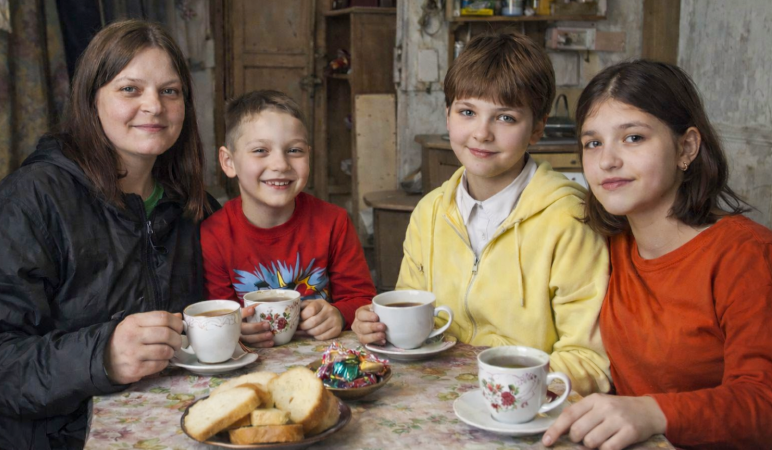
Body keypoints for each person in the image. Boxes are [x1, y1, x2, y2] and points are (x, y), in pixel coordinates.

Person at [0, 20, 217, 449]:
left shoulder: (194, 205)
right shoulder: (30, 200)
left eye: (170, 91)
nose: (154, 106)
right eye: (129, 89)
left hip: (176, 428)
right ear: (91, 99)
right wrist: (101, 355)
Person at [352, 32, 611, 396]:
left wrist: (502, 388)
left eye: (505, 117)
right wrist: (381, 327)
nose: (481, 133)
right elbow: (414, 323)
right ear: (448, 115)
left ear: (537, 128)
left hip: (524, 407)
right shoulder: (429, 213)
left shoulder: (570, 220)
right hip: (437, 399)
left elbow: (588, 358)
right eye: (468, 112)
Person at [542, 60, 772, 450]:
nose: (607, 160)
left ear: (687, 147)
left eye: (633, 138)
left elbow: (763, 404)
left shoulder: (746, 255)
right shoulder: (605, 245)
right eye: (592, 143)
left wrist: (654, 412)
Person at [201, 90, 375, 347]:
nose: (281, 164)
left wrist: (339, 314)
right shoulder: (213, 235)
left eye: (294, 150)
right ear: (229, 162)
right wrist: (235, 330)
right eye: (261, 150)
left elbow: (363, 300)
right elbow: (216, 314)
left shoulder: (334, 222)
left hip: (325, 361)